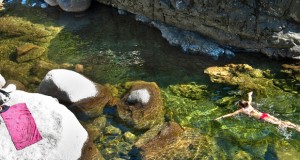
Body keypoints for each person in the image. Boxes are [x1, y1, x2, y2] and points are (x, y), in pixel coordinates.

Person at [215, 91, 300, 132]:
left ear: (240, 106)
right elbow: (250, 98)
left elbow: (231, 114)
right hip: (264, 114)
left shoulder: (242, 110)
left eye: (239, 104)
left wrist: (220, 117)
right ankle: (295, 125)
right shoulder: (249, 104)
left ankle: (295, 128)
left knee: (279, 124)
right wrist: (250, 94)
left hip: (261, 117)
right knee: (279, 121)